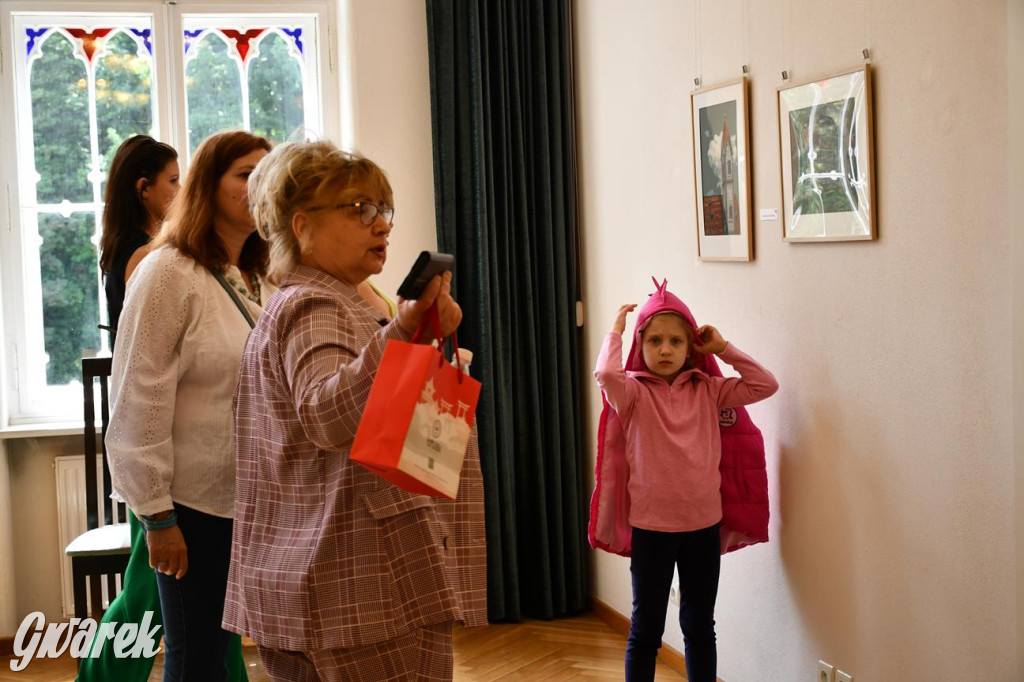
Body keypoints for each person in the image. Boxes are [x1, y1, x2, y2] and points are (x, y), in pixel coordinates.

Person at [223, 139, 487, 681]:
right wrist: (406, 329)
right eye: (360, 209)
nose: (382, 225)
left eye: (383, 209)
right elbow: (326, 414)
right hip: (358, 583)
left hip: (310, 577)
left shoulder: (308, 300)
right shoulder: (315, 305)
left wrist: (421, 333)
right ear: (302, 226)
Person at [107, 129, 272, 681]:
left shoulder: (259, 273)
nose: (260, 186)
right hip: (193, 506)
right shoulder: (168, 271)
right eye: (246, 175)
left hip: (253, 499)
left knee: (224, 657)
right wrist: (158, 517)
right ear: (206, 184)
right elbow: (138, 397)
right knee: (196, 658)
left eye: (267, 175)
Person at [591, 279, 778, 682]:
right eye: (655, 340)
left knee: (699, 627)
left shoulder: (709, 390)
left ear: (691, 347)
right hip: (651, 529)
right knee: (646, 630)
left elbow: (765, 384)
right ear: (641, 345)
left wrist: (723, 348)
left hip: (702, 528)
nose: (665, 350)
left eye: (676, 341)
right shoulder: (631, 394)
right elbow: (605, 372)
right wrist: (617, 331)